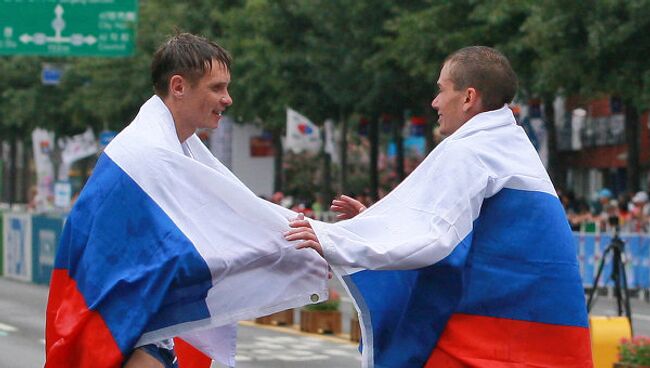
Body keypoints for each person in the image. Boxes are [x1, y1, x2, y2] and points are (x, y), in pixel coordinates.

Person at [286, 46, 592, 367]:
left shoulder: (470, 149)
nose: (434, 102)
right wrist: (375, 223)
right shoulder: (510, 144)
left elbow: (436, 239)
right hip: (537, 337)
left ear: (468, 97)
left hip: (487, 343)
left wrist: (334, 240)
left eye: (441, 89)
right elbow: (467, 228)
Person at [45, 33, 328, 368]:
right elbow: (185, 250)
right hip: (127, 332)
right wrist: (285, 250)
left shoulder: (170, 148)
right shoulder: (147, 156)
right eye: (217, 88)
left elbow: (228, 220)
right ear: (178, 87)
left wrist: (322, 240)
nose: (228, 99)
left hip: (141, 329)